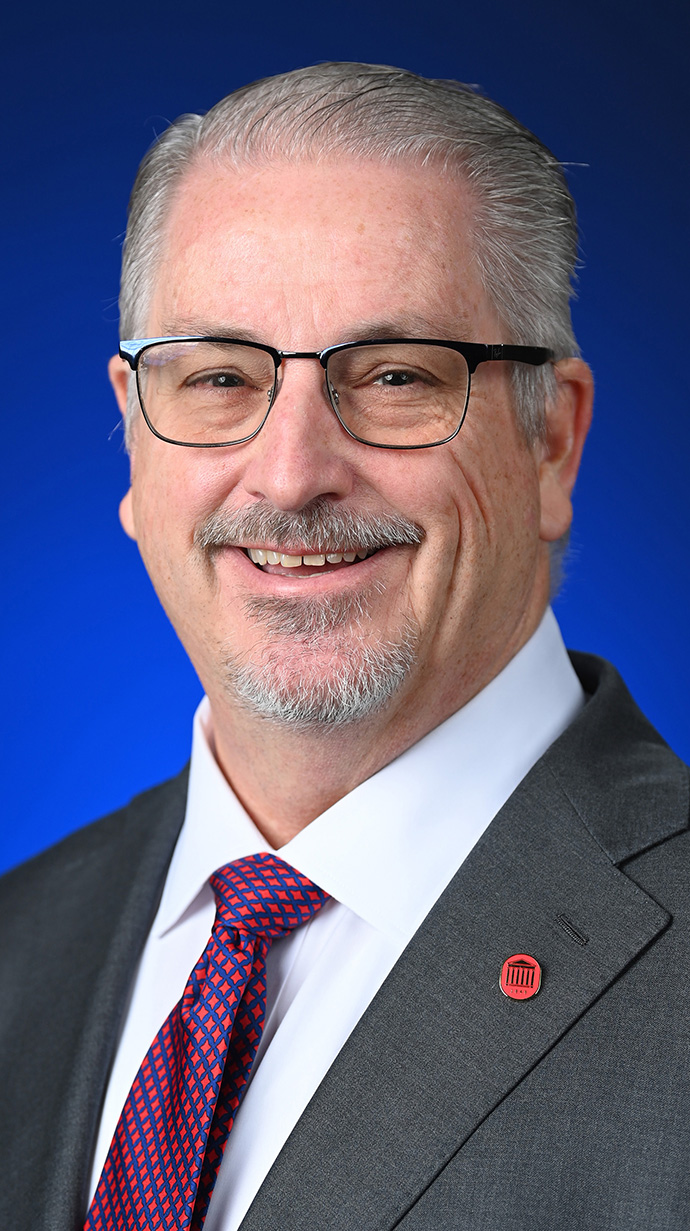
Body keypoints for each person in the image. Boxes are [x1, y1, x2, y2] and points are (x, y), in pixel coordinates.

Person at [1, 62, 688, 1231]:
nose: (291, 472)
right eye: (220, 377)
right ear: (132, 440)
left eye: (397, 377)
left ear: (553, 446)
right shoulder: (20, 941)